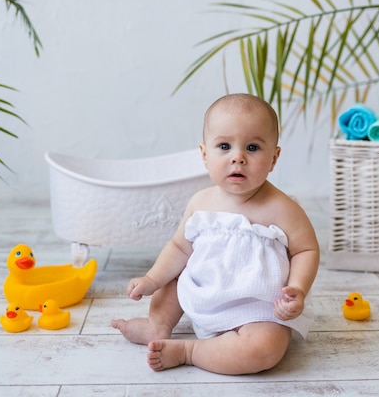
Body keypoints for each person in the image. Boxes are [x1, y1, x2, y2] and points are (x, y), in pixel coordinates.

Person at [111, 93, 320, 375]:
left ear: (274, 157)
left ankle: (190, 351)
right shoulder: (201, 202)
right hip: (202, 291)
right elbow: (179, 248)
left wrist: (297, 290)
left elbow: (306, 250)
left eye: (253, 147)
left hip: (256, 308)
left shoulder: (283, 208)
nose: (238, 157)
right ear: (205, 154)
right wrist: (152, 278)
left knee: (266, 347)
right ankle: (157, 324)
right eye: (224, 146)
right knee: (173, 279)